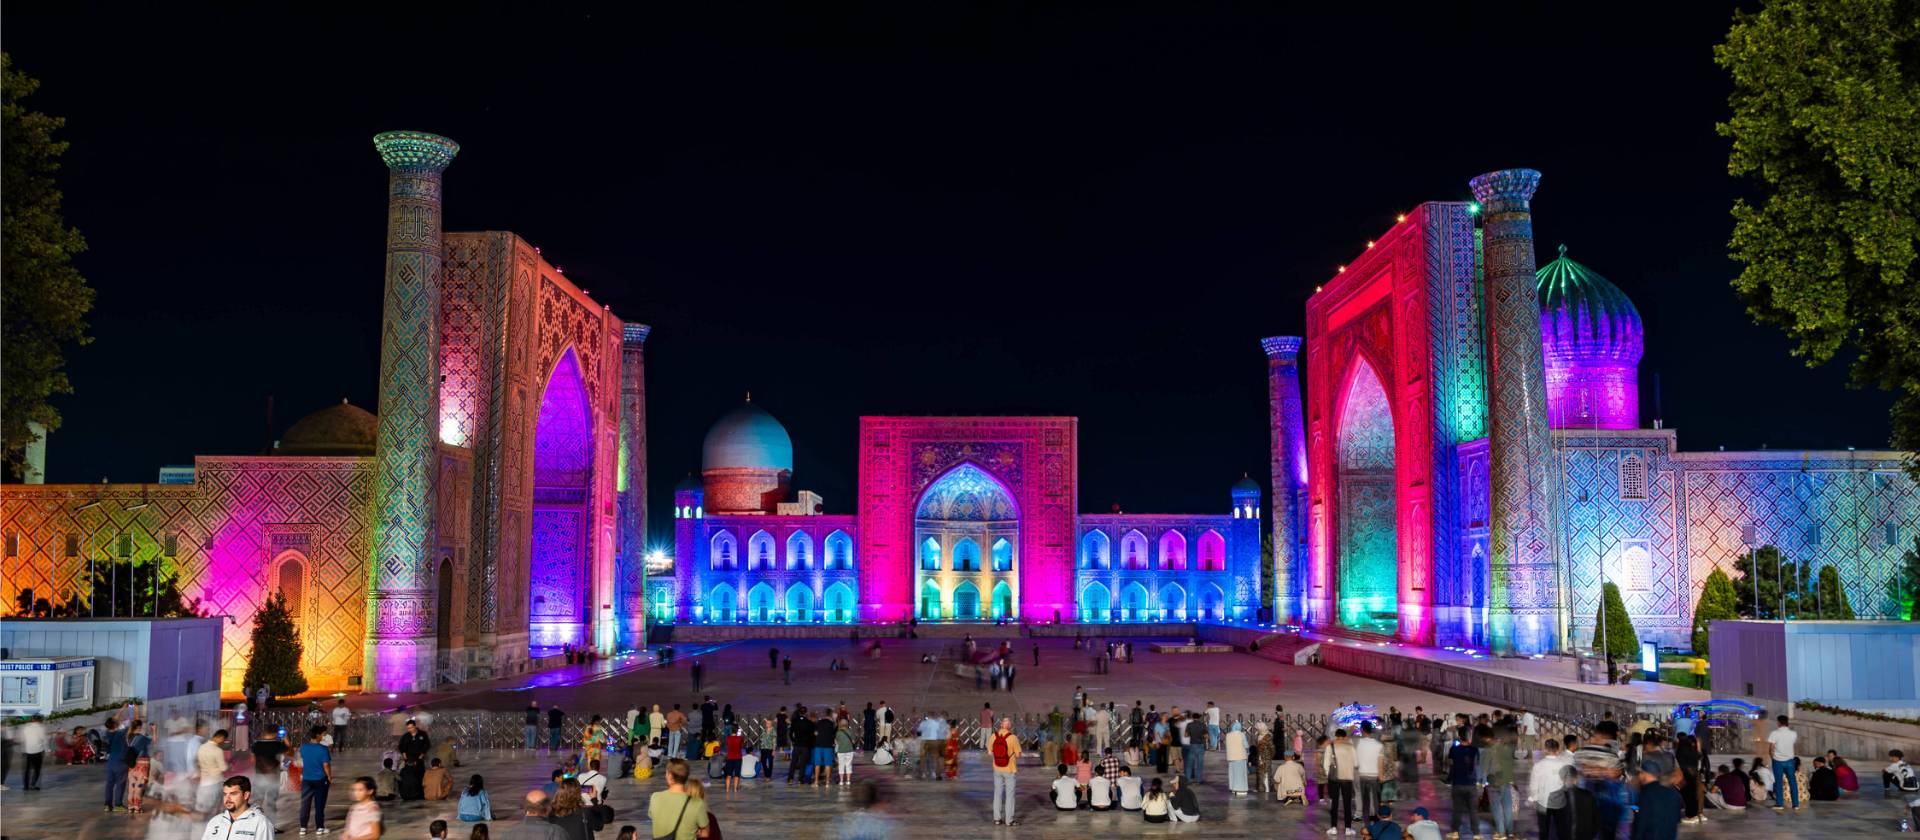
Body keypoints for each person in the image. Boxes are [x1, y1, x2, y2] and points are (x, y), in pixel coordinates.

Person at [648, 759, 710, 840]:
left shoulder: (655, 798)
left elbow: (654, 818)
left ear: (670, 776)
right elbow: (705, 833)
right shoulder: (697, 803)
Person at [205, 775, 276, 840]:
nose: (227, 798)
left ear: (246, 795)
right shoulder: (215, 821)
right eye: (225, 794)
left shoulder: (261, 823)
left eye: (233, 794)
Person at [1528, 738, 1571, 840]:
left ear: (1545, 750)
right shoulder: (1563, 765)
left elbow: (1534, 785)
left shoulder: (1538, 766)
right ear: (1557, 750)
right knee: (1562, 830)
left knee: (1544, 830)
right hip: (1560, 802)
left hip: (1543, 802)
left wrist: (1534, 798)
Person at [1631, 759, 1680, 840]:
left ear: (1644, 774)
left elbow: (1641, 820)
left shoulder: (1645, 794)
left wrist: (1633, 807)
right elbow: (1677, 818)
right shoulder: (1672, 793)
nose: (1639, 776)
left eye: (1640, 773)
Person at [1446, 724, 1480, 840]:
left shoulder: (1454, 749)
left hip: (1458, 783)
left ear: (1459, 737)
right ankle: (1476, 833)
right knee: (1473, 811)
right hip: (1471, 784)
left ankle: (1455, 831)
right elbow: (1477, 764)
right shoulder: (1475, 749)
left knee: (1457, 810)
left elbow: (1449, 763)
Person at [299, 725, 333, 834]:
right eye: (322, 735)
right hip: (320, 779)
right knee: (319, 804)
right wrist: (329, 776)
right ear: (317, 735)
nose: (323, 737)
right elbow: (326, 765)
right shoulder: (323, 749)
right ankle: (319, 827)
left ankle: (303, 827)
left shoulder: (303, 747)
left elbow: (302, 761)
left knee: (305, 803)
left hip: (307, 779)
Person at [1324, 727, 1359, 835]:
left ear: (1336, 736)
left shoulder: (1331, 746)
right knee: (1347, 804)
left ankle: (1334, 828)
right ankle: (1348, 828)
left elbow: (1326, 763)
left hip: (1334, 778)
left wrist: (1328, 774)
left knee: (1334, 803)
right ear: (1344, 736)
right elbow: (1356, 763)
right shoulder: (1351, 747)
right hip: (1347, 778)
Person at [989, 717, 1022, 826]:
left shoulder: (993, 736)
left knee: (997, 793)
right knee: (1010, 795)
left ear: (1001, 725)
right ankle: (1009, 820)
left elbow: (990, 752)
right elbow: (1018, 755)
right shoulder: (1013, 738)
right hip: (1009, 769)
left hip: (997, 769)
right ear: (1010, 726)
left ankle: (997, 819)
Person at [1765, 714, 1799, 811]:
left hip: (1778, 761)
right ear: (1787, 722)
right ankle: (1795, 804)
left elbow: (1771, 748)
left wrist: (1773, 758)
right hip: (1790, 761)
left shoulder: (1774, 733)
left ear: (1778, 722)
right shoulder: (1793, 733)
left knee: (1779, 783)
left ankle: (1779, 804)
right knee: (1792, 782)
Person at [1354, 722, 1384, 817]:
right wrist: (1381, 775)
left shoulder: (1356, 742)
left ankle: (1359, 813)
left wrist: (1350, 730)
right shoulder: (1379, 745)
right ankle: (1372, 812)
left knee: (1358, 793)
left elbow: (1342, 738)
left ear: (1361, 730)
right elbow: (1381, 762)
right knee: (1372, 794)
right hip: (1374, 774)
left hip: (1359, 772)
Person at [342, 776, 382, 840]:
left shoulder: (372, 809)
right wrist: (346, 835)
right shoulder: (354, 808)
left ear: (370, 791)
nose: (356, 793)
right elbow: (348, 828)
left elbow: (375, 834)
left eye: (360, 790)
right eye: (354, 790)